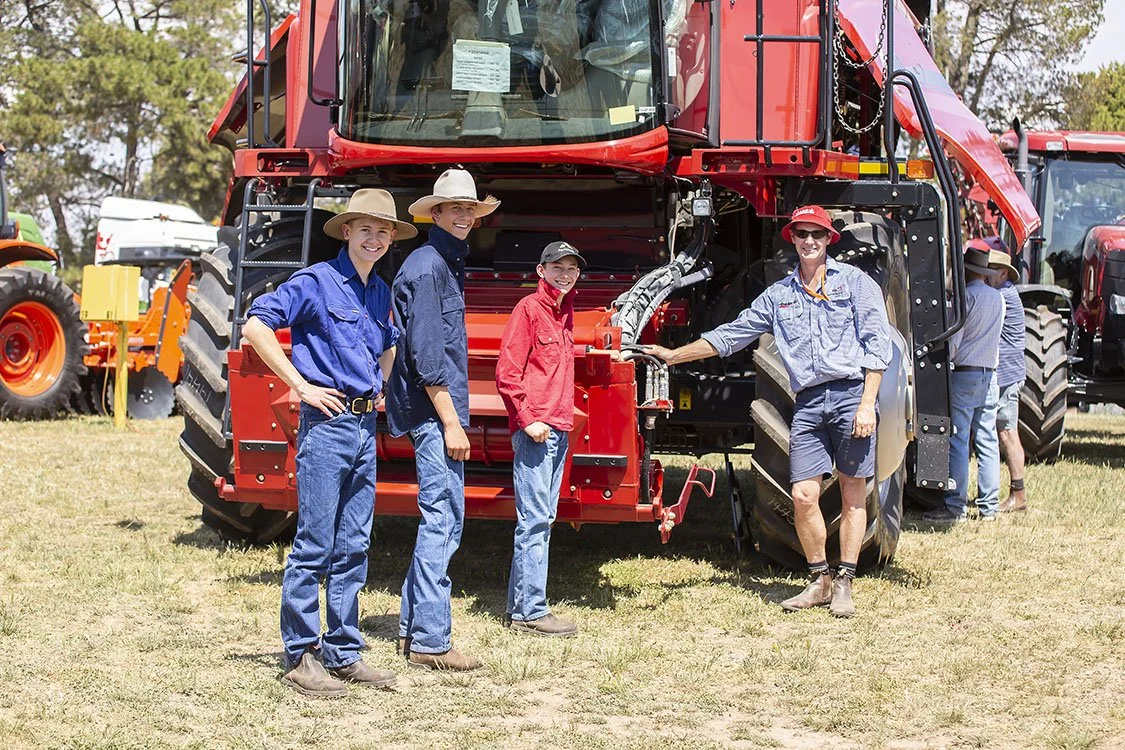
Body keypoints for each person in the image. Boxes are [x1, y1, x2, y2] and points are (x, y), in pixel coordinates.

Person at [646, 205, 892, 618]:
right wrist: (673, 356)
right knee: (803, 494)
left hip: (851, 395)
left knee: (853, 491)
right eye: (801, 234)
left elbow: (877, 345)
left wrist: (868, 403)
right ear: (792, 239)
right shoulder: (780, 295)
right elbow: (732, 334)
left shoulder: (855, 283)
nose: (809, 241)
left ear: (830, 238)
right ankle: (820, 579)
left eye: (817, 234)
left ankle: (845, 581)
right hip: (810, 401)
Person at [242, 189, 417, 697]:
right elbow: (255, 325)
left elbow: (388, 344)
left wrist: (381, 385)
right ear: (346, 231)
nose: (375, 238)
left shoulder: (379, 291)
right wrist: (299, 385)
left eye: (384, 231)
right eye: (365, 228)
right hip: (327, 427)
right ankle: (300, 656)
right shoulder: (316, 282)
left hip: (365, 429)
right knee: (314, 544)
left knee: (354, 545)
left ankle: (343, 651)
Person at [387, 169, 499, 671]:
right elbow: (429, 356)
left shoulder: (440, 262)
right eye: (454, 208)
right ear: (434, 213)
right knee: (443, 521)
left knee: (443, 518)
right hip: (434, 415)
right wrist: (453, 424)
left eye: (469, 209)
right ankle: (432, 642)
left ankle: (416, 628)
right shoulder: (430, 267)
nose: (463, 215)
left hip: (431, 411)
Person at [494, 241, 584, 637]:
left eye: (572, 269)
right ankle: (531, 611)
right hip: (537, 432)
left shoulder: (565, 313)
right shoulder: (528, 310)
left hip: (558, 428)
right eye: (557, 267)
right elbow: (507, 373)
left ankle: (521, 608)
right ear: (540, 270)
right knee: (534, 522)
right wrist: (527, 419)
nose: (565, 274)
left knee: (542, 518)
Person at [922, 245, 1005, 526]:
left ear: (966, 270)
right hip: (989, 375)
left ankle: (955, 504)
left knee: (958, 441)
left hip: (965, 374)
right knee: (987, 441)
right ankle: (989, 506)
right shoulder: (999, 299)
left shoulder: (965, 298)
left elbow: (954, 342)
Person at [984, 240, 1029, 512]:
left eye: (988, 271)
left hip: (1006, 374)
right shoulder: (1005, 291)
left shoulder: (1002, 295)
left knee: (1008, 433)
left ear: (1002, 273)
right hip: (1007, 372)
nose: (983, 275)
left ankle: (1018, 494)